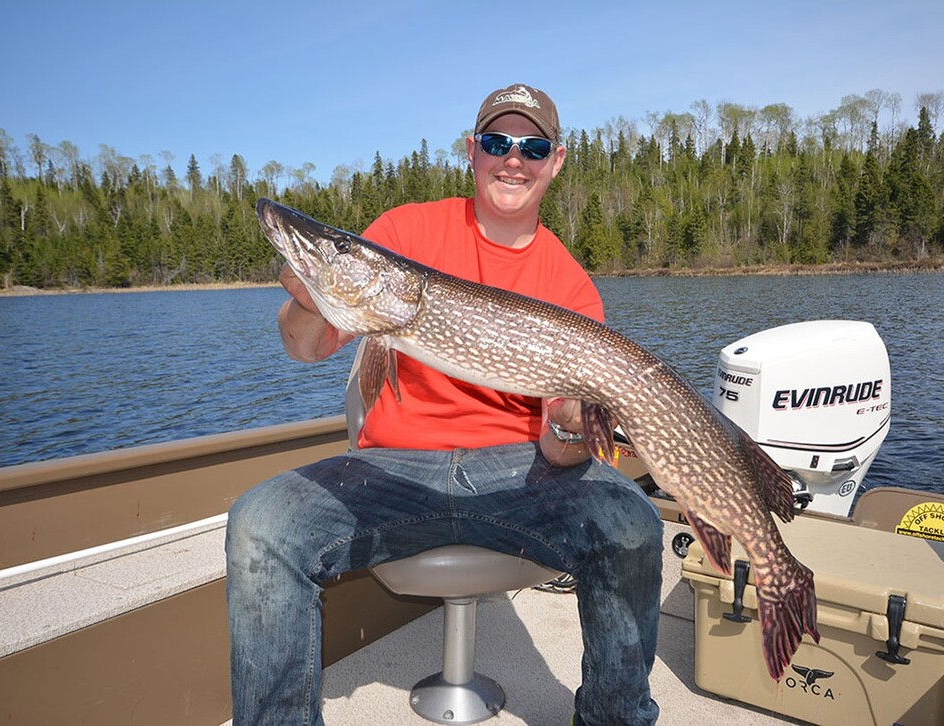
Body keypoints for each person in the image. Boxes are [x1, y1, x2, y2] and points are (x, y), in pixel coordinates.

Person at [226, 83, 663, 725]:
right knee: (261, 524)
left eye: (532, 147)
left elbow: (558, 450)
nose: (514, 159)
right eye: (497, 143)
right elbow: (302, 346)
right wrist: (315, 292)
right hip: (394, 470)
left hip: (520, 472)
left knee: (633, 525)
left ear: (556, 160)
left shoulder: (569, 285)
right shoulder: (404, 231)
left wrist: (571, 428)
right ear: (472, 151)